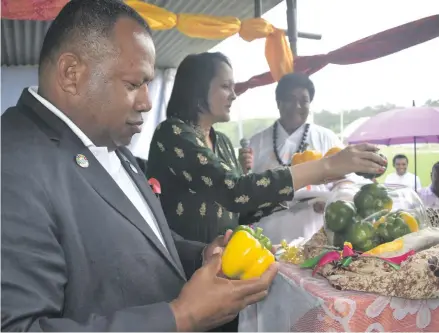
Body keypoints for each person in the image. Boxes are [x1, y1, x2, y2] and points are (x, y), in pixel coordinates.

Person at [1, 1, 279, 331]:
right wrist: (181, 317)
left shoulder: (107, 141)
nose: (147, 102)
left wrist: (201, 255)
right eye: (133, 84)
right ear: (71, 74)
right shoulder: (13, 164)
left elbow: (144, 240)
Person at [147, 53, 386, 245]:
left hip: (225, 261)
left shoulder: (222, 143)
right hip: (186, 267)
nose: (234, 94)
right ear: (197, 89)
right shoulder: (173, 134)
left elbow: (244, 209)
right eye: (225, 86)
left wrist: (298, 199)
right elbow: (234, 192)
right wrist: (325, 166)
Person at [238, 73, 363, 242]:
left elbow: (347, 182)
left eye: (303, 100)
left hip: (315, 233)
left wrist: (333, 202)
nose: (297, 106)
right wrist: (241, 169)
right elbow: (245, 190)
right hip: (268, 235)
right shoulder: (257, 142)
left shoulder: (326, 138)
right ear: (278, 103)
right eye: (290, 99)